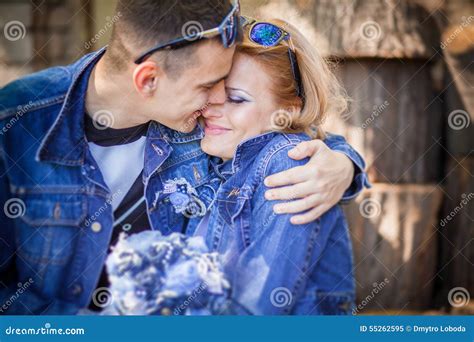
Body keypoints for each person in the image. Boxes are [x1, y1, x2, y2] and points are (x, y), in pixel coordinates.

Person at [0, 0, 367, 315]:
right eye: (208, 86)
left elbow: (280, 134)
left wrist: (343, 163)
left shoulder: (196, 124)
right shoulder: (17, 123)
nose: (213, 103)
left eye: (228, 91)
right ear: (148, 81)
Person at [187, 17, 358, 314]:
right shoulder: (216, 154)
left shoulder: (287, 163)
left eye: (236, 99)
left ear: (288, 110)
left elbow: (260, 306)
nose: (211, 108)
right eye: (210, 92)